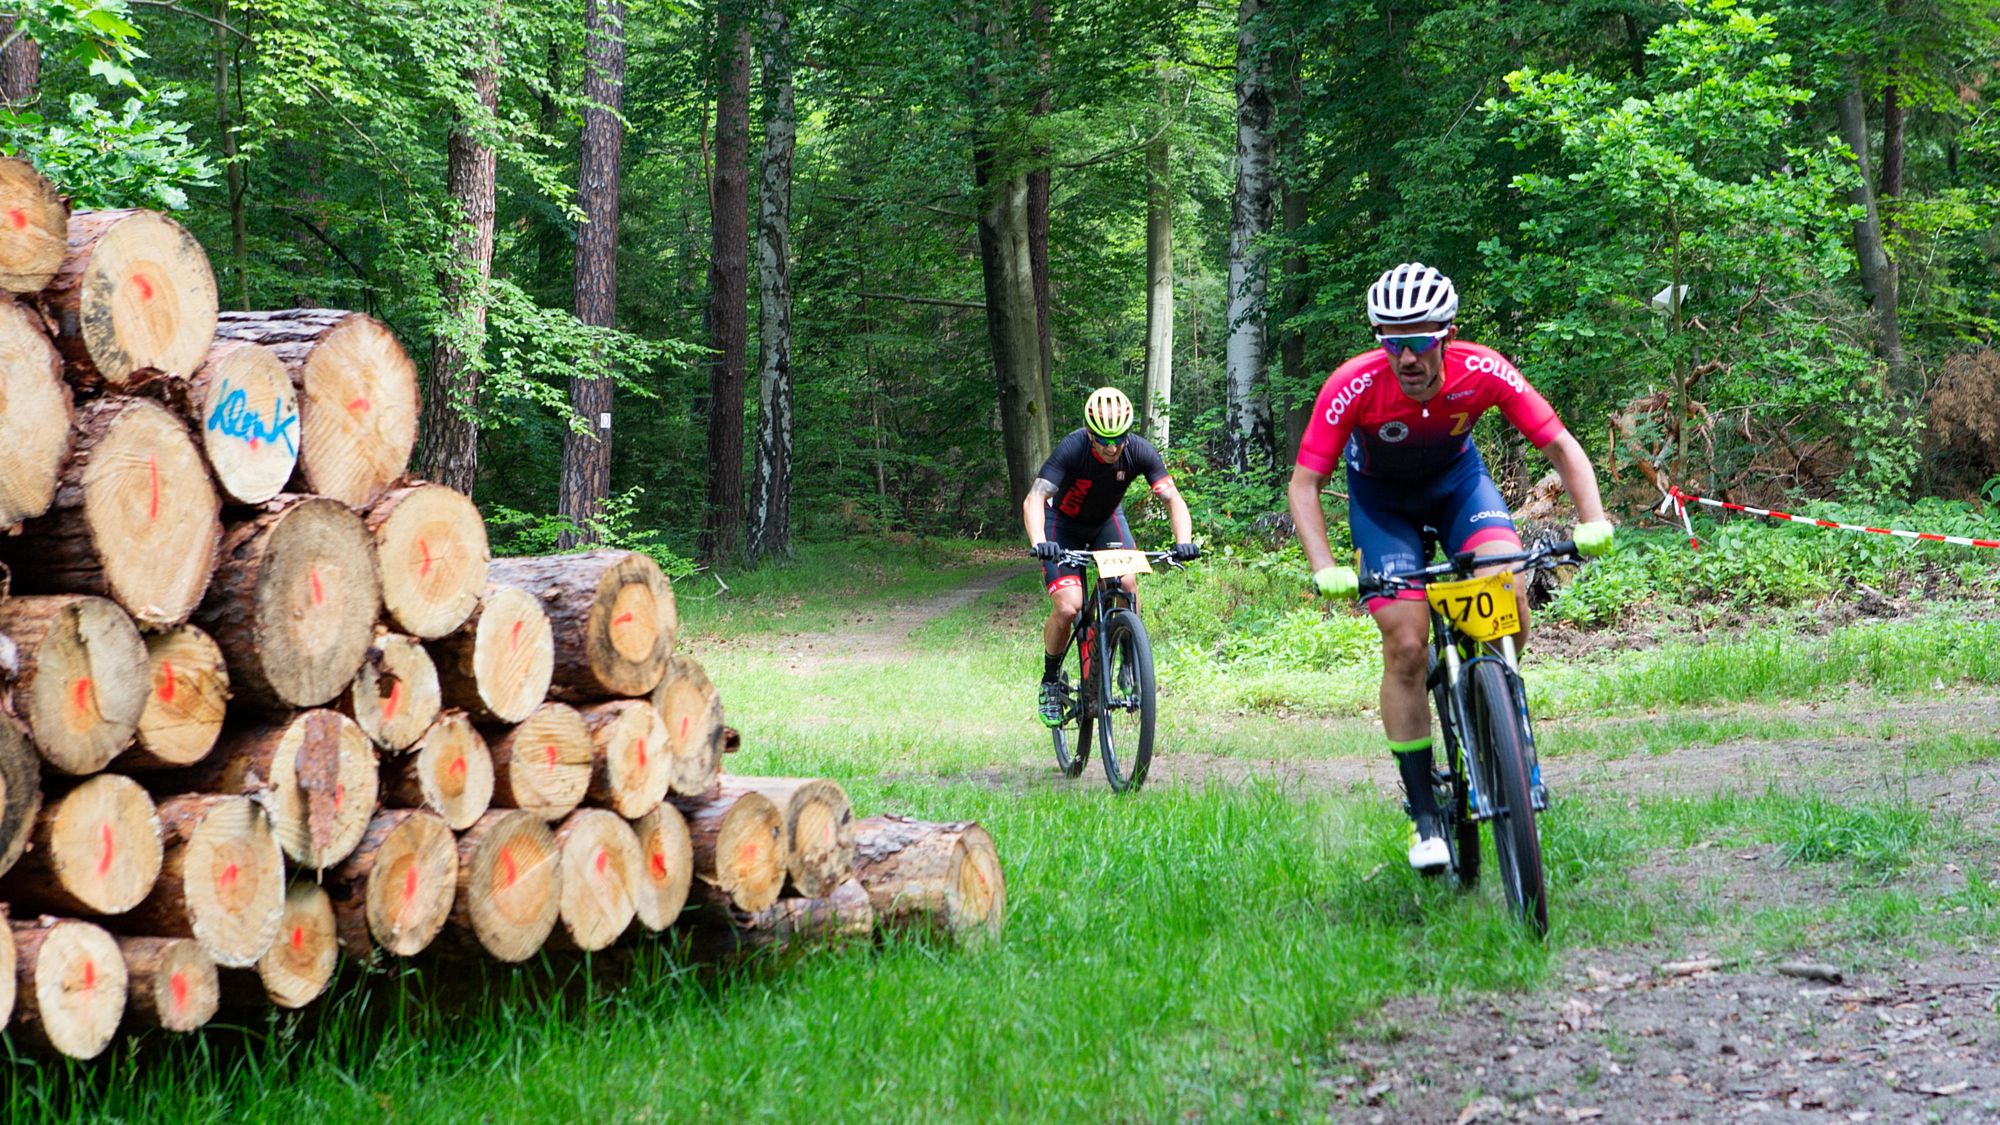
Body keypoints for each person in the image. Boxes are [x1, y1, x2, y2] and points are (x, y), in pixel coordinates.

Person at [1286, 262, 1614, 872]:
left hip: (1460, 490)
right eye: (1391, 342)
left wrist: (1592, 518)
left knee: (1508, 590)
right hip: (1383, 508)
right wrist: (1324, 564)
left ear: (1448, 335)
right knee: (1407, 644)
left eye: (1419, 341)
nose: (1405, 357)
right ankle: (1423, 813)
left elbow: (1561, 446)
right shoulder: (1352, 385)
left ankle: (1502, 714)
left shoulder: (1483, 369)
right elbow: (1305, 484)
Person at [1024, 387, 1198, 725]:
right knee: (1069, 605)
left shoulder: (1139, 452)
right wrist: (1040, 540)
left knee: (1128, 584)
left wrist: (1184, 541)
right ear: (1090, 434)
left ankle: (1129, 660)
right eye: (1103, 439)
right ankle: (1049, 680)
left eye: (1119, 438)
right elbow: (1034, 499)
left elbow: (1173, 499)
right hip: (1061, 526)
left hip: (1106, 523)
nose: (1112, 446)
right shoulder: (1072, 448)